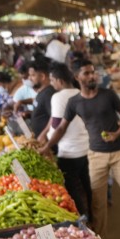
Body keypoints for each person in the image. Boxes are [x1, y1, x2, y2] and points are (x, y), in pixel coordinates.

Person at [45, 60, 120, 239]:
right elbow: (61, 127)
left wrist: (117, 134)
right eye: (86, 73)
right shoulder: (74, 103)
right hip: (95, 156)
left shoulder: (108, 95)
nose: (91, 76)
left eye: (93, 72)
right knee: (98, 204)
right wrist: (46, 146)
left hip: (119, 153)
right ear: (77, 77)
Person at [42, 62, 91, 224]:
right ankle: (93, 215)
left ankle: (83, 220)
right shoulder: (80, 92)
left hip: (69, 151)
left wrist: (47, 145)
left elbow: (57, 126)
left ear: (60, 81)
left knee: (73, 188)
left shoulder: (58, 97)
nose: (51, 83)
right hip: (86, 147)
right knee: (87, 185)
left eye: (52, 80)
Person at [27, 59, 55, 138]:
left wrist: (44, 134)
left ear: (42, 76)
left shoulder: (48, 94)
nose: (29, 78)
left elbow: (54, 117)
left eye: (33, 75)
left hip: (48, 142)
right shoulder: (42, 92)